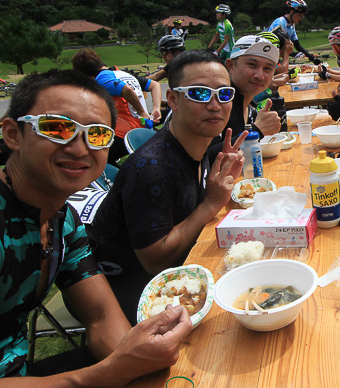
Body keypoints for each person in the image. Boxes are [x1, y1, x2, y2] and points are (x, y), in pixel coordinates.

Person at [0, 69, 192, 388]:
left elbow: (100, 315)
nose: (80, 147)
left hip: (19, 377)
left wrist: (134, 359)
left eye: (97, 134)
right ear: (12, 134)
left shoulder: (61, 218)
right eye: (56, 128)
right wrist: (109, 373)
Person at [89, 50, 246, 323]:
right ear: (172, 99)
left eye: (224, 94)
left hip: (181, 271)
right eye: (199, 93)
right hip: (129, 290)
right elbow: (155, 261)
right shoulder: (152, 168)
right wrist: (210, 204)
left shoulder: (198, 146)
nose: (215, 105)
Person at [71, 49, 160, 165]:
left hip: (125, 132)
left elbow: (127, 90)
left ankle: (117, 180)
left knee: (94, 155)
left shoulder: (102, 79)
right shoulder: (122, 74)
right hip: (141, 127)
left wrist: (142, 112)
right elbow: (155, 85)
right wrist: (156, 108)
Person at [222, 35, 281, 139]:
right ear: (231, 66)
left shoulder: (250, 106)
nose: (260, 76)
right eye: (252, 65)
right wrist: (258, 130)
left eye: (267, 68)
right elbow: (204, 154)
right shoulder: (219, 103)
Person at [267, 0, 321, 65]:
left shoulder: (291, 25)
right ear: (292, 12)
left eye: (302, 17)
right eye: (299, 16)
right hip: (269, 55)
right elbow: (274, 45)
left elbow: (297, 45)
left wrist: (313, 59)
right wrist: (293, 54)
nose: (300, 19)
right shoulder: (280, 22)